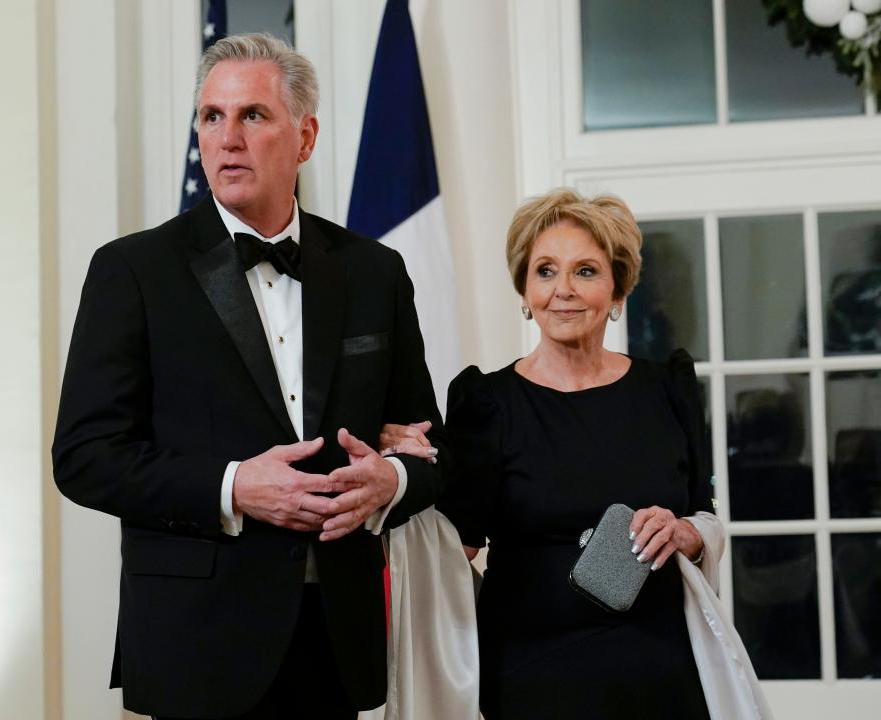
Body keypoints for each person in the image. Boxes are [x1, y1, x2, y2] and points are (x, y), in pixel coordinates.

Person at [52, 33, 447, 720]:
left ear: (305, 135)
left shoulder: (373, 272)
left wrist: (393, 481)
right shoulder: (132, 271)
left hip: (336, 641)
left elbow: (425, 443)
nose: (226, 138)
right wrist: (234, 486)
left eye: (253, 116)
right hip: (194, 643)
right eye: (211, 117)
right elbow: (85, 458)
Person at [389, 188, 716, 718]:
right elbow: (455, 551)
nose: (563, 290)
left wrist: (687, 532)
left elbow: (703, 516)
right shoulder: (486, 403)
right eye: (545, 271)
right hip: (532, 677)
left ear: (618, 291)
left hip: (663, 672)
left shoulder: (666, 391)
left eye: (585, 271)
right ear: (524, 289)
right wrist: (414, 469)